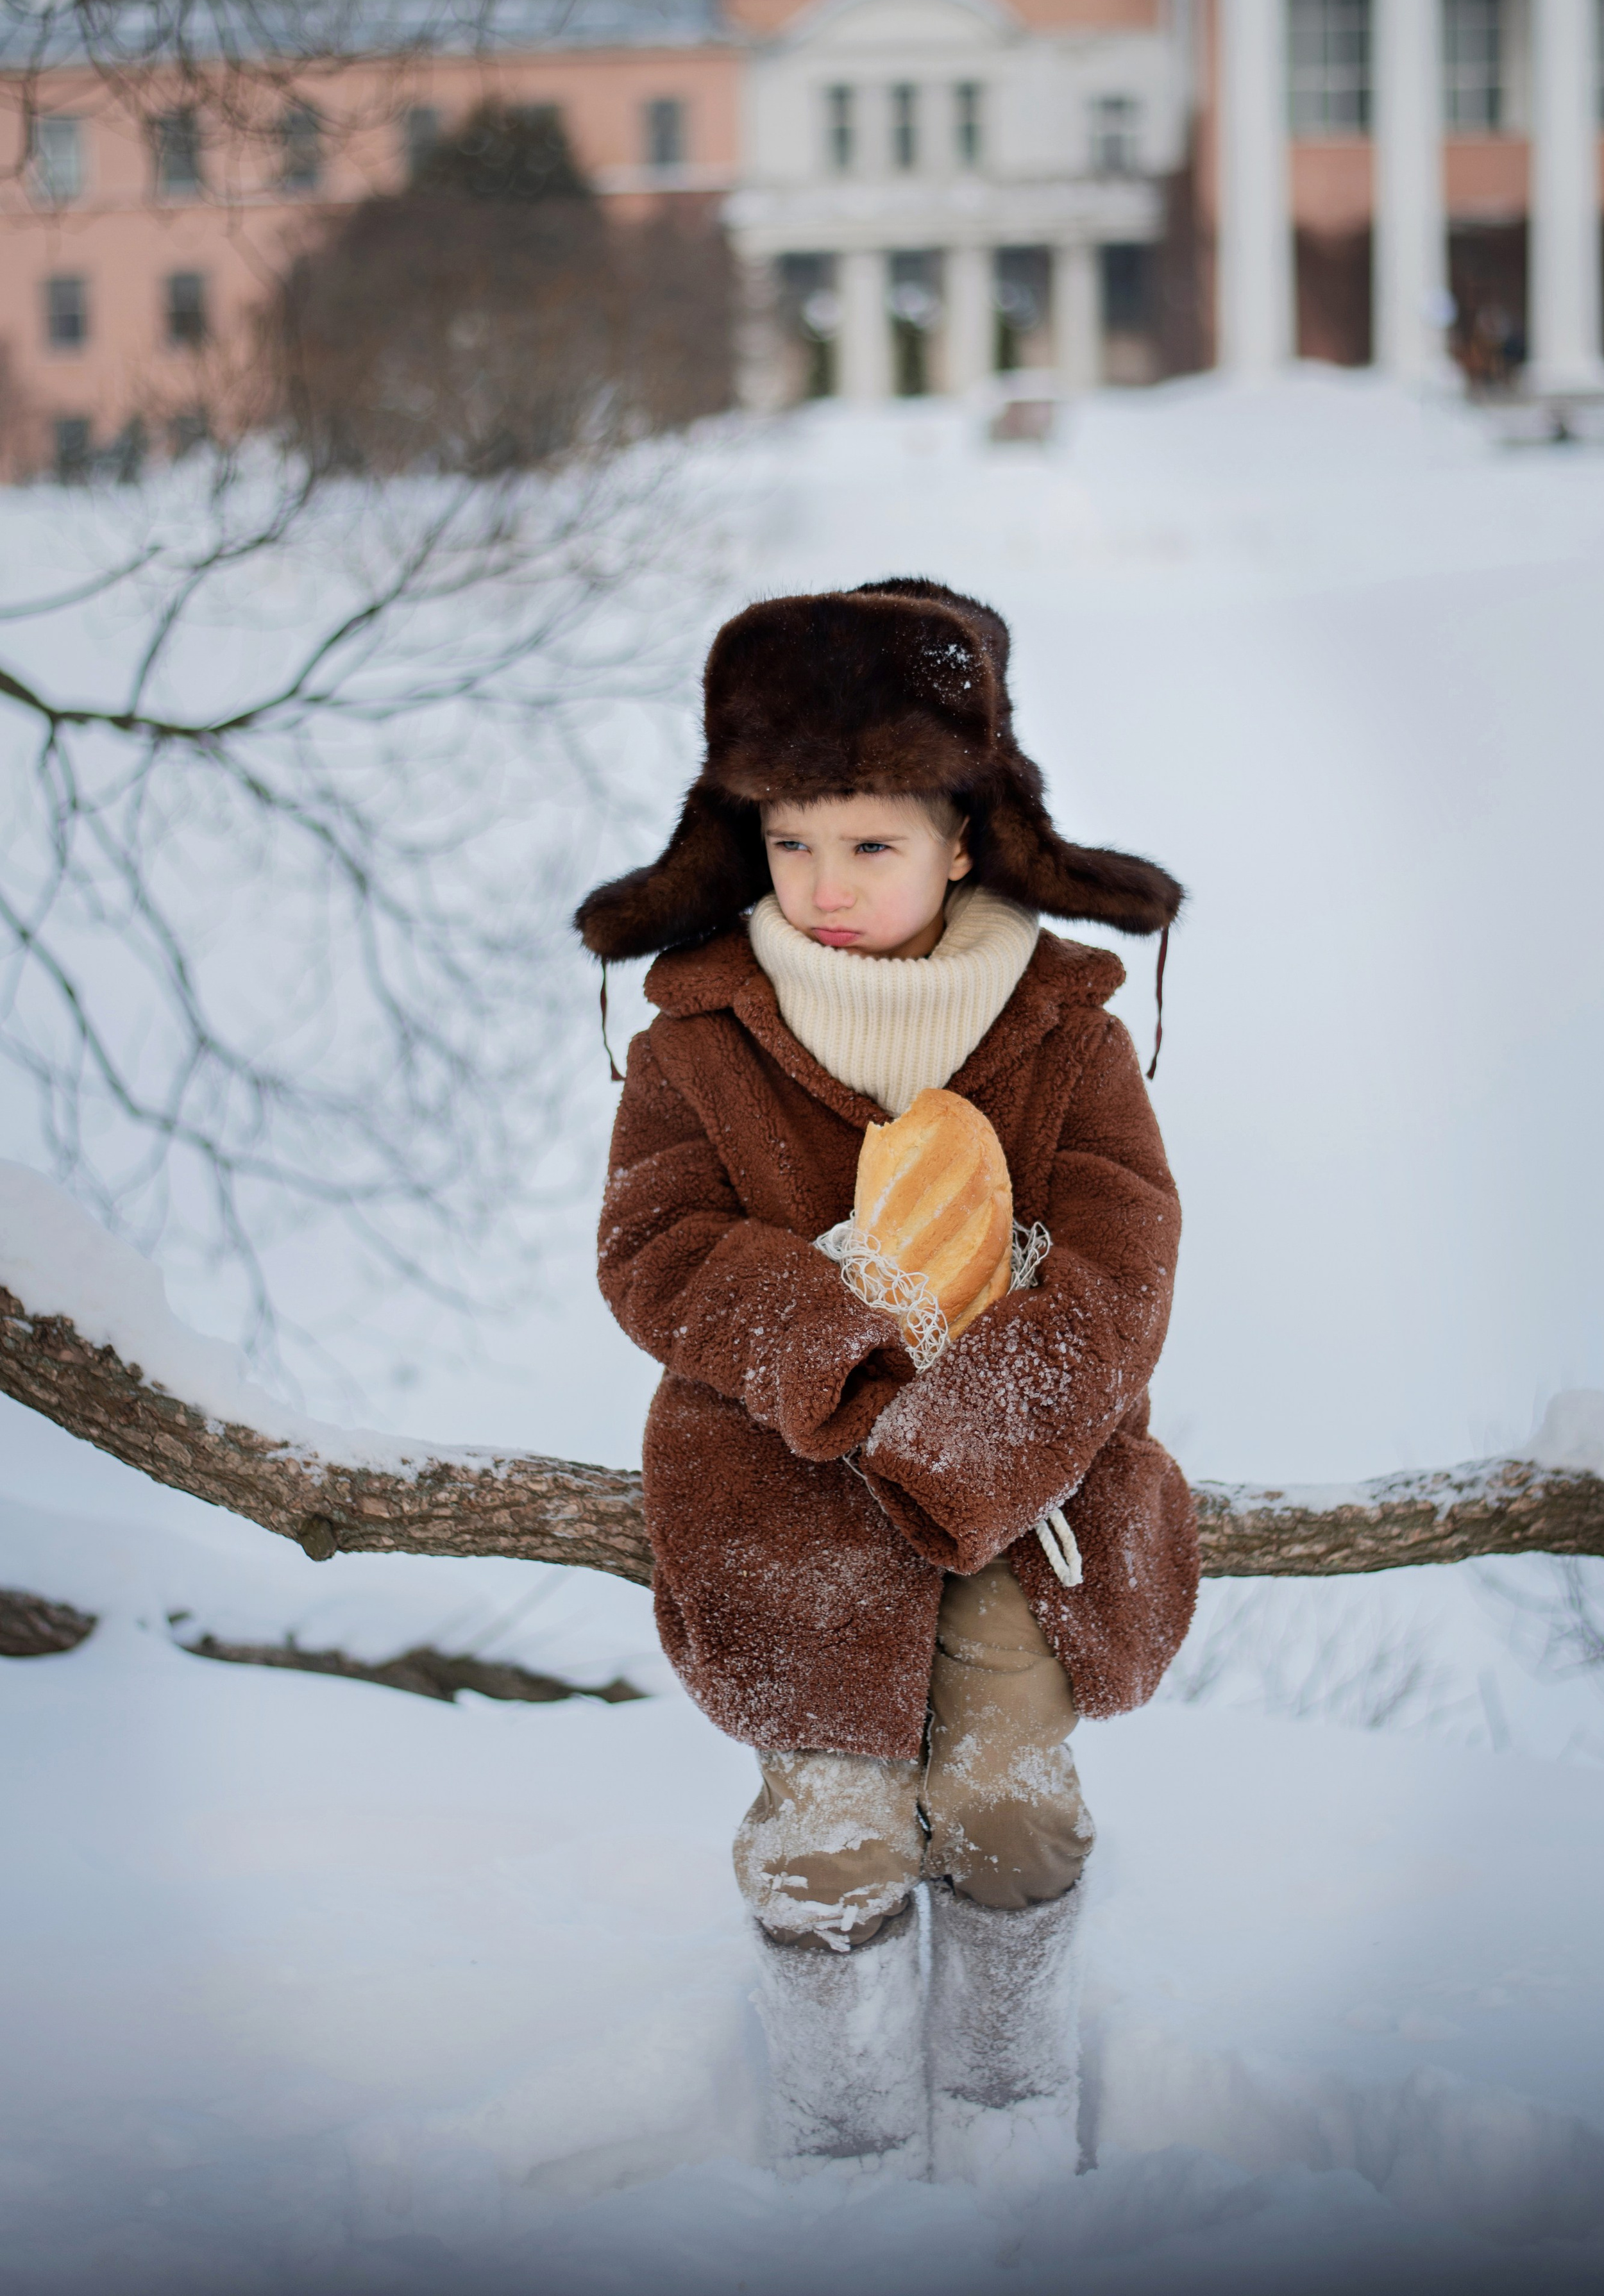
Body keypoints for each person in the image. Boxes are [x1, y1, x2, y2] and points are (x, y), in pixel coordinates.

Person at [576, 579, 1195, 2185]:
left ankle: (1004, 2113)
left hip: (1017, 1498)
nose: (825, 883)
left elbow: (1120, 1269)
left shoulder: (1064, 1030)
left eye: (870, 843)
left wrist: (974, 1436)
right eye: (790, 841)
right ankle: (844, 2141)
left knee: (1011, 1802)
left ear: (963, 838)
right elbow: (654, 1244)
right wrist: (833, 1343)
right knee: (826, 1826)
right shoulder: (697, 1034)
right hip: (776, 1496)